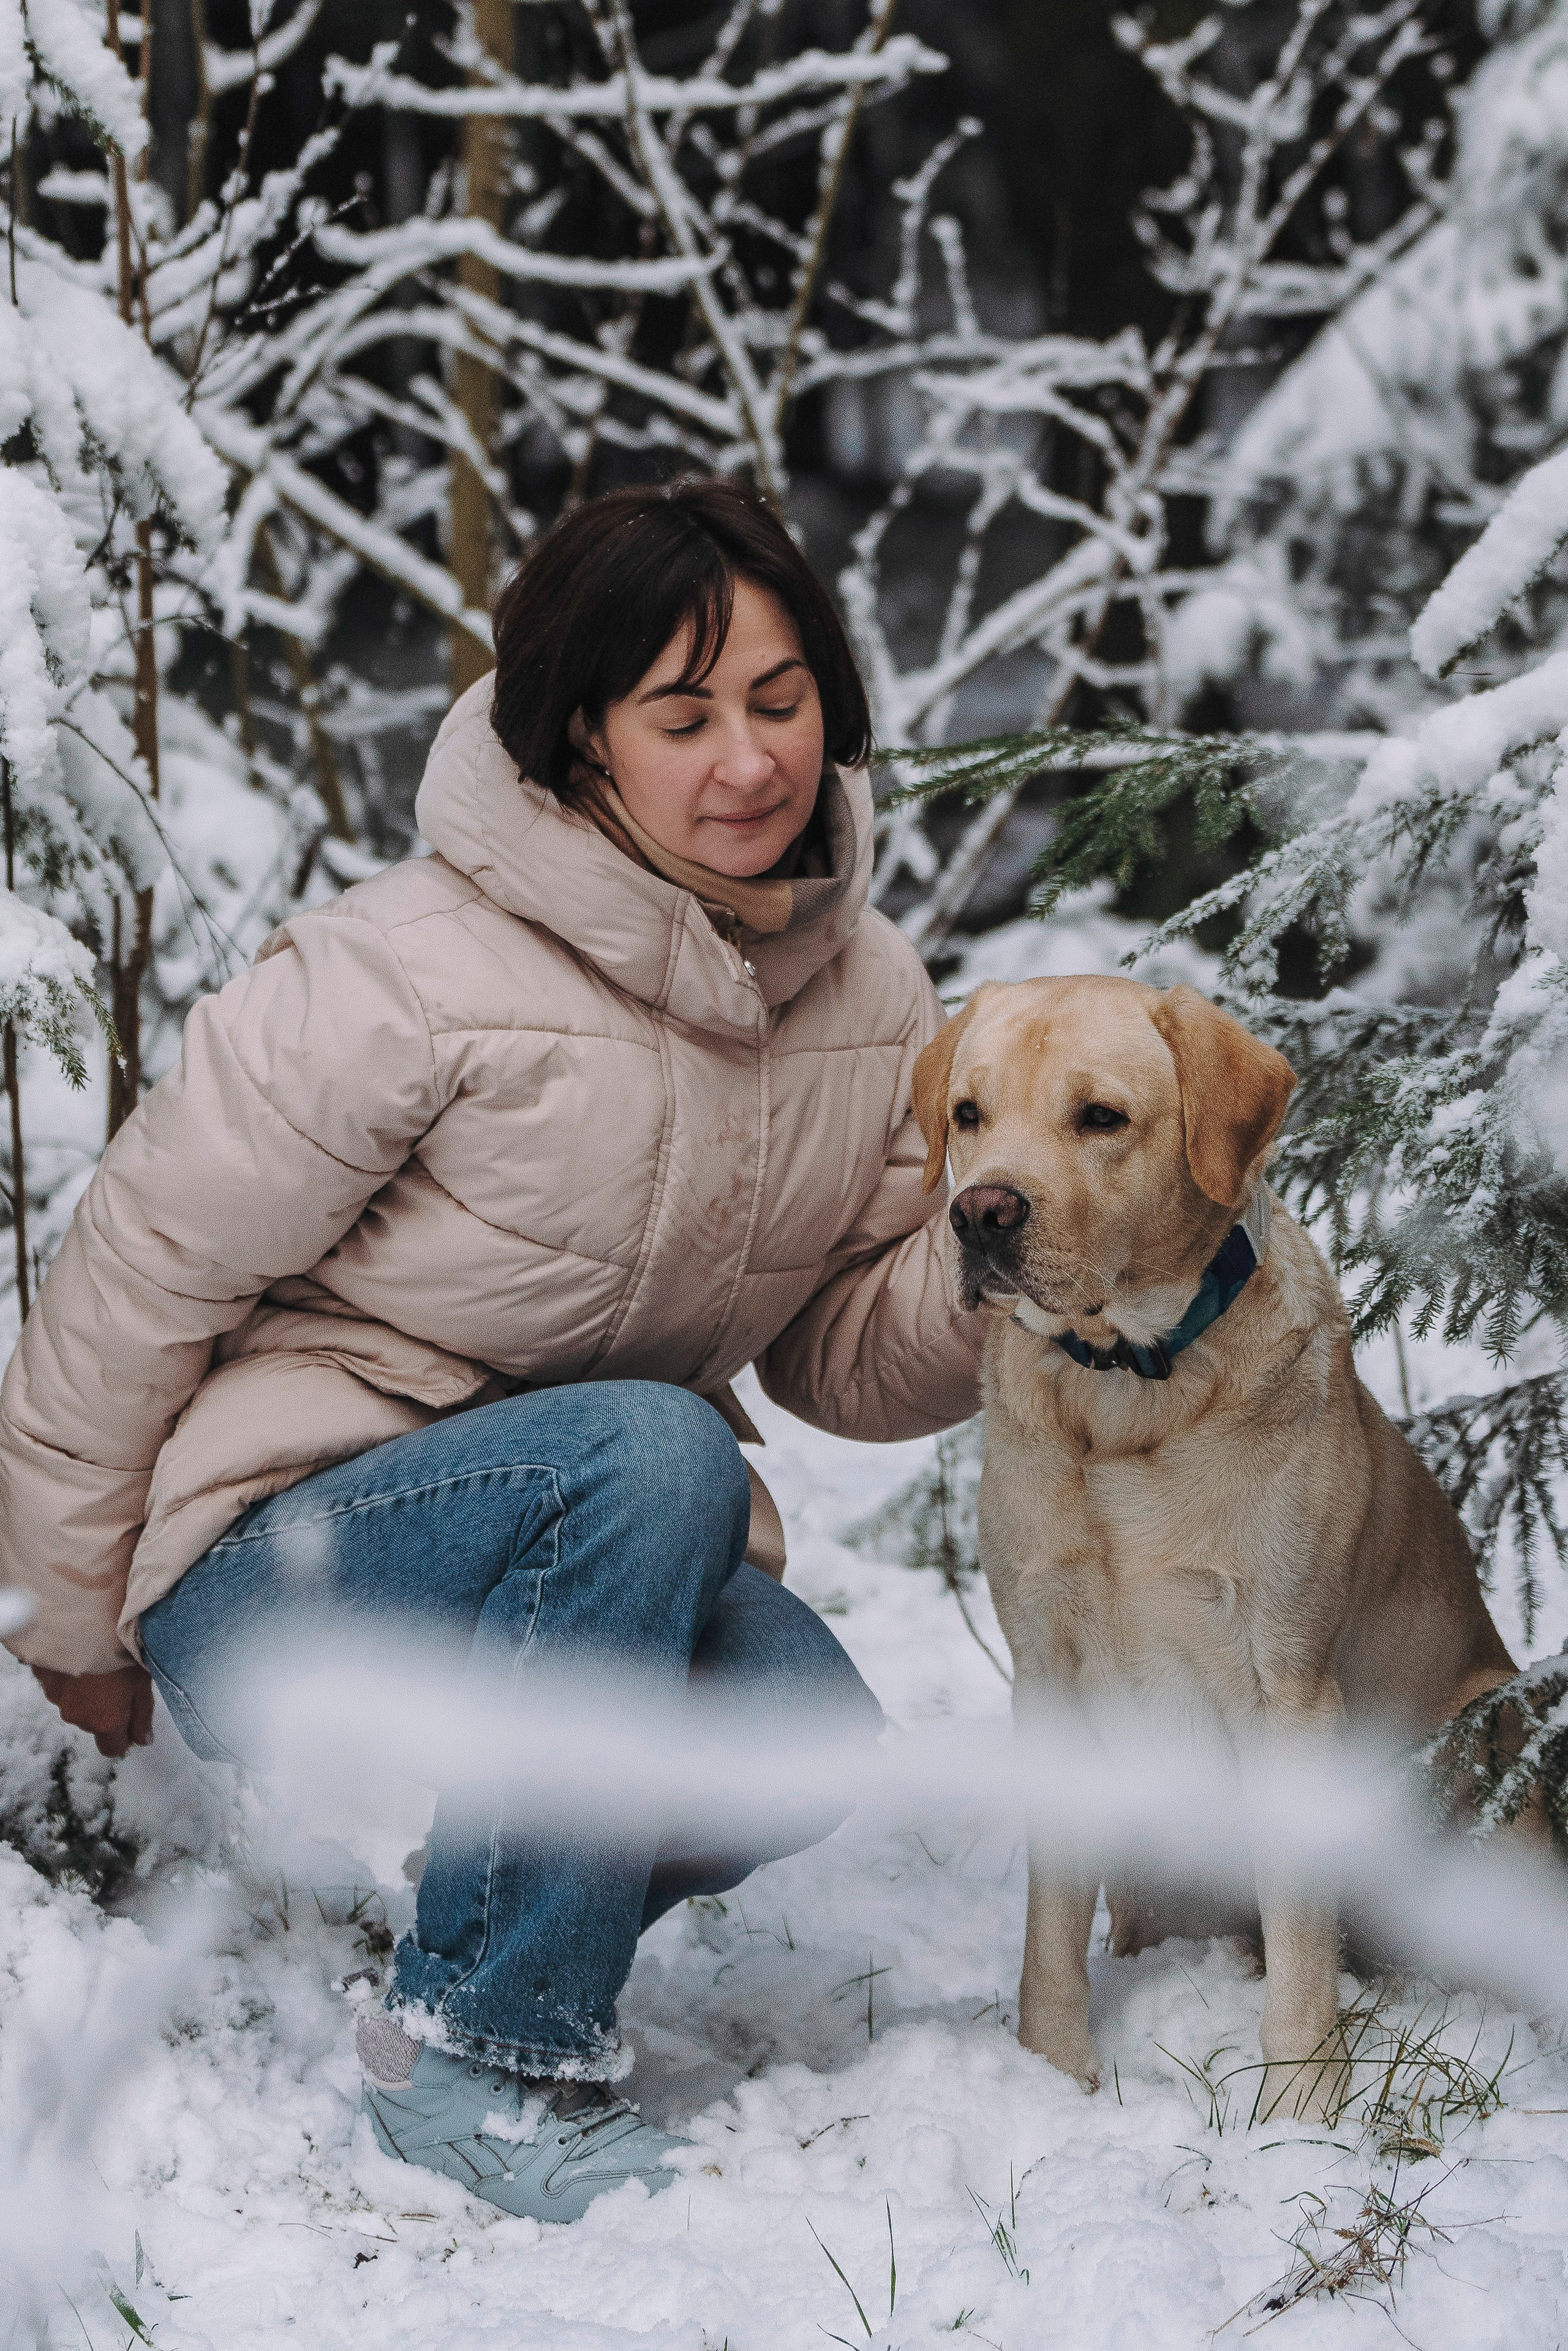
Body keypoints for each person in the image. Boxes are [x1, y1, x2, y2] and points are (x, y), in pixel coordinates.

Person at [0, 478, 980, 2223]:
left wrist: (998, 1278)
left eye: (779, 699)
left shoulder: (870, 996)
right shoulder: (404, 973)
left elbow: (837, 1349)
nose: (749, 761)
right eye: (681, 717)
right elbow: (141, 1270)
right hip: (283, 1571)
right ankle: (476, 2051)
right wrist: (73, 1614)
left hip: (576, 1553)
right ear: (580, 739)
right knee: (652, 1449)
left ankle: (464, 1897)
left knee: (794, 1722)